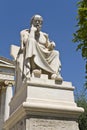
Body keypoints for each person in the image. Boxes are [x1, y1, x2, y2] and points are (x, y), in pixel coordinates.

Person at [18, 14, 62, 80]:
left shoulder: (44, 35)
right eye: (36, 21)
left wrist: (51, 45)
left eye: (40, 21)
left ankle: (53, 74)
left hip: (44, 53)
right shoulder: (26, 33)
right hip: (34, 51)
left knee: (56, 53)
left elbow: (48, 46)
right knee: (32, 41)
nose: (38, 23)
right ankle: (35, 68)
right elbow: (27, 43)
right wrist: (32, 31)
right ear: (32, 22)